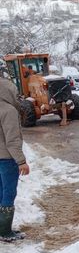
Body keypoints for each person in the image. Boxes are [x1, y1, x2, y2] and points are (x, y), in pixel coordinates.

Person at [0, 78, 30, 242]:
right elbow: (12, 140)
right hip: (6, 159)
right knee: (9, 193)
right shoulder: (8, 110)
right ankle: (4, 231)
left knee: (0, 192)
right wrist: (21, 161)